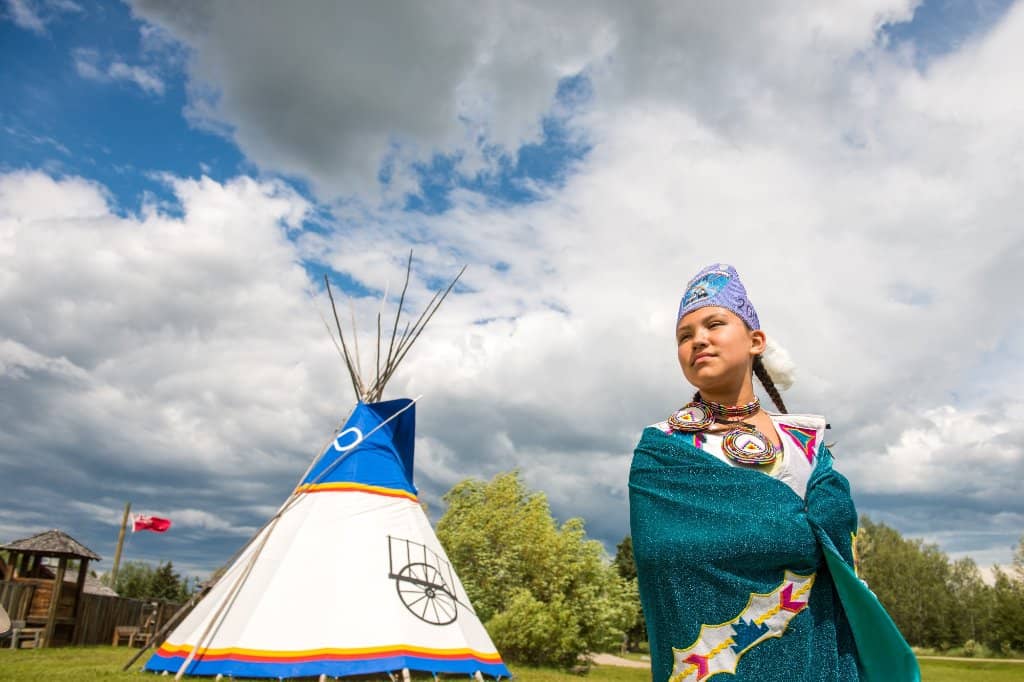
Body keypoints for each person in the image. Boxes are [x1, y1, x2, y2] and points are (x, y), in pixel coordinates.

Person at [628, 264, 918, 682]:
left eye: (714, 324)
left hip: (817, 656)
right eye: (684, 336)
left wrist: (778, 533)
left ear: (755, 341)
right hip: (712, 662)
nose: (698, 340)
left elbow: (841, 557)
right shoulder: (664, 449)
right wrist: (791, 532)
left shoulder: (806, 445)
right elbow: (662, 555)